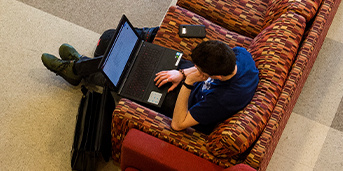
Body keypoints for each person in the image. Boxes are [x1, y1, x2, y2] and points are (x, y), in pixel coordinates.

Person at [41, 39, 259, 133]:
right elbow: (201, 70)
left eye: (199, 69)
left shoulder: (220, 100)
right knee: (138, 60)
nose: (195, 69)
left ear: (214, 77)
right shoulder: (239, 56)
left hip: (184, 103)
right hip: (192, 83)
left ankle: (75, 69)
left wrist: (189, 83)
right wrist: (182, 72)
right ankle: (81, 65)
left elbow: (178, 124)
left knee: (125, 80)